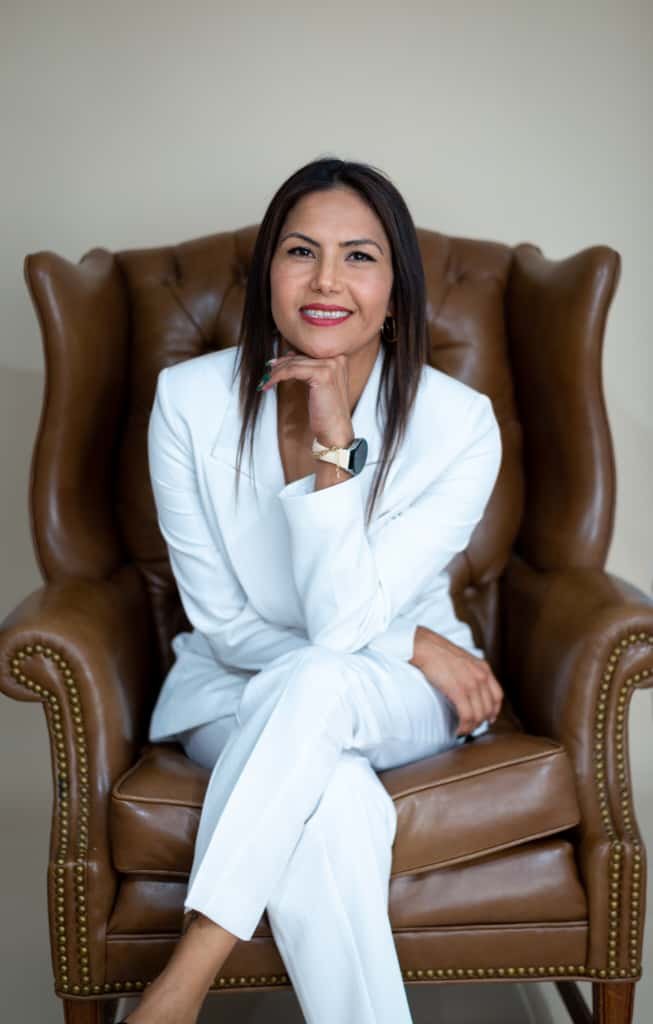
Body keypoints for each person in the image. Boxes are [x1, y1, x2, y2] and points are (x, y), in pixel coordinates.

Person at [123, 157, 504, 1024]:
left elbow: (336, 631)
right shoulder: (187, 402)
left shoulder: (457, 426)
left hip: (401, 698)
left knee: (322, 677)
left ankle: (181, 985)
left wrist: (333, 445)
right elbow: (221, 621)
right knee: (330, 799)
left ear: (396, 293)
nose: (327, 280)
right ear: (267, 276)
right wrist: (411, 638)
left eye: (359, 257)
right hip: (237, 682)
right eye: (300, 251)